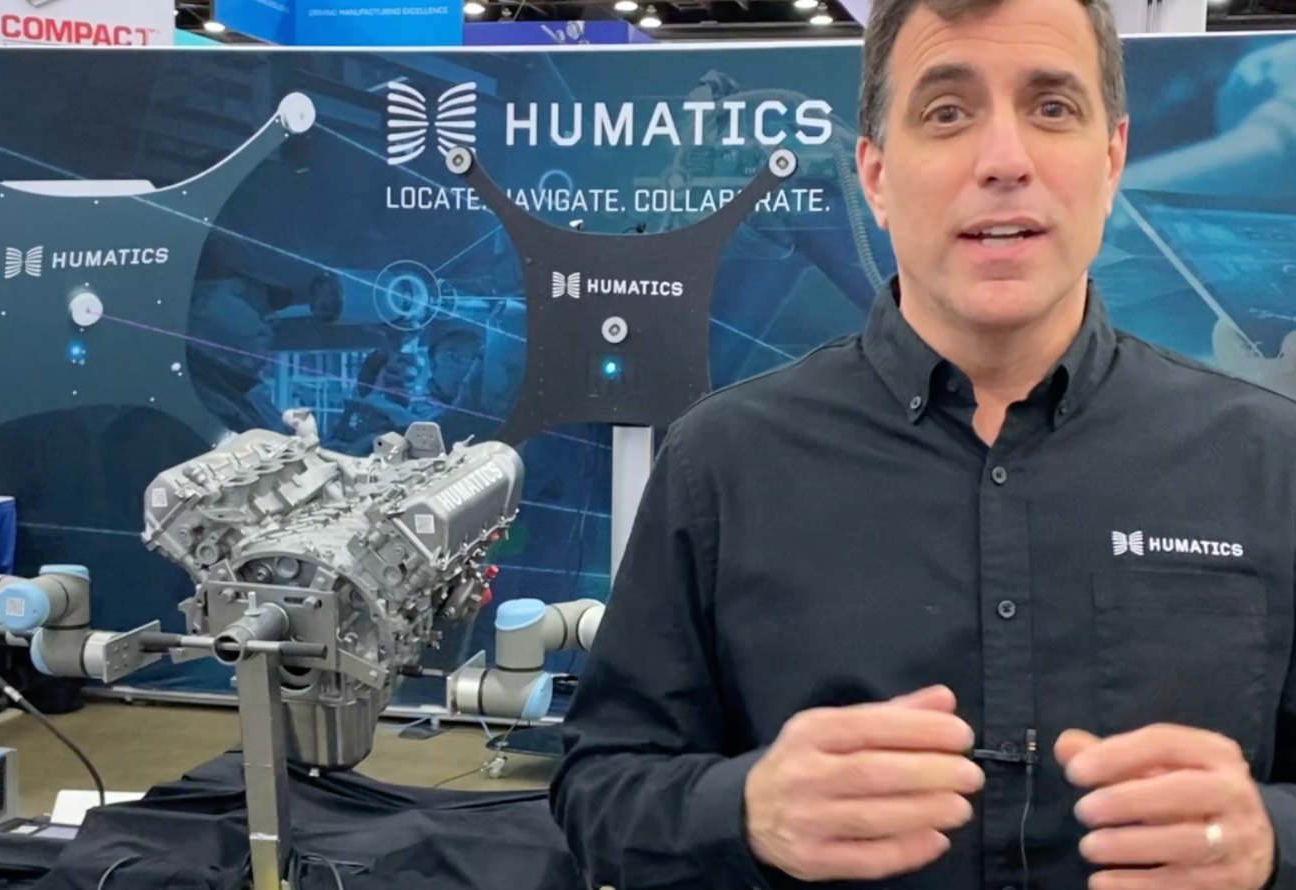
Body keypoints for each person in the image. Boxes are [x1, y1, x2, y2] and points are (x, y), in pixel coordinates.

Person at [549, 1, 1296, 889]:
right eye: (946, 112)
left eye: (1051, 107)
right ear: (873, 175)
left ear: (1110, 160)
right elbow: (599, 785)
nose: (1004, 160)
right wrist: (743, 812)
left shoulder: (1267, 460)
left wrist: (1271, 839)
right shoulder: (721, 461)